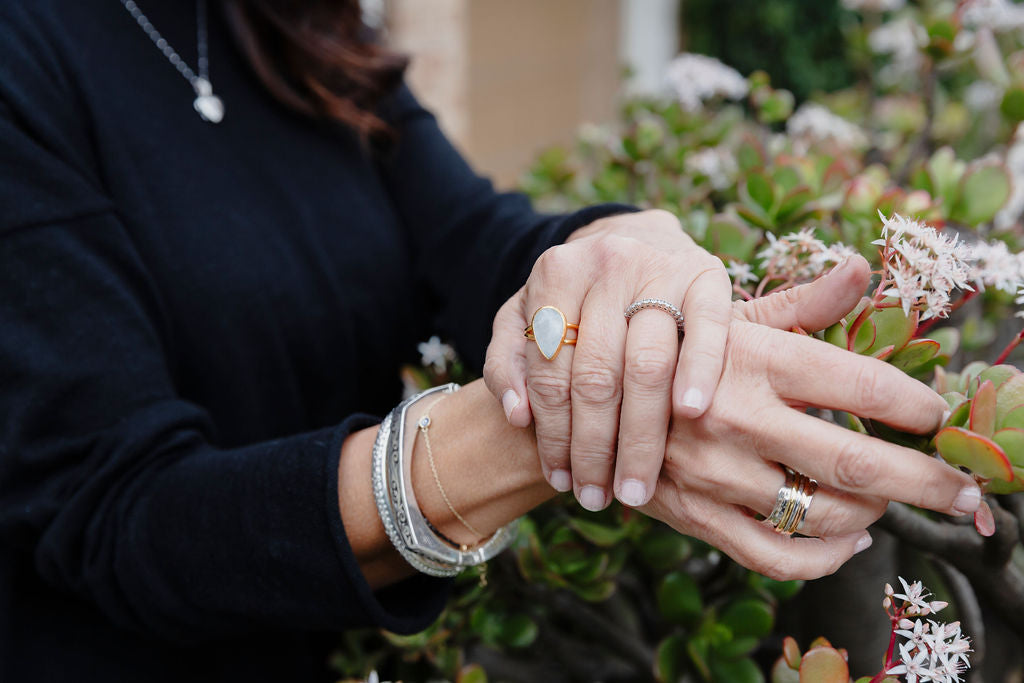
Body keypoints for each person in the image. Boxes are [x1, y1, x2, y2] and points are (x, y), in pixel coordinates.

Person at [0, 0, 981, 680]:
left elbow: (466, 238)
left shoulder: (287, 22)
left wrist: (622, 260)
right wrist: (551, 426)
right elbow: (117, 510)